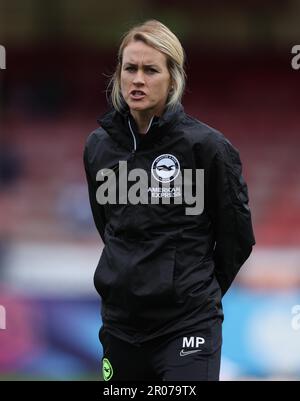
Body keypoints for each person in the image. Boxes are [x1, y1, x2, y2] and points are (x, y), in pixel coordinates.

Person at [83, 20, 255, 381]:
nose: (138, 79)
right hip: (120, 326)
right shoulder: (98, 148)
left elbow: (237, 237)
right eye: (130, 68)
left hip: (188, 322)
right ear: (118, 75)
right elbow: (109, 227)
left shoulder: (207, 148)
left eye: (151, 70)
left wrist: (195, 289)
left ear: (173, 79)